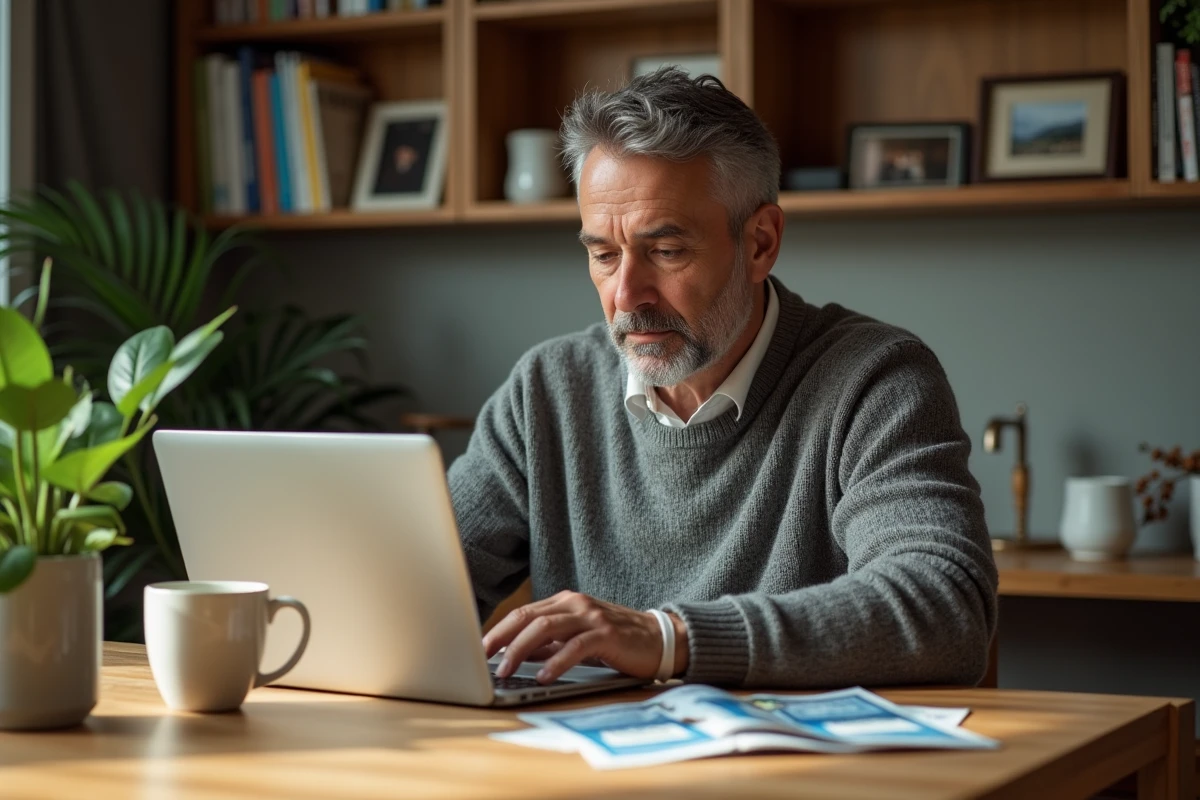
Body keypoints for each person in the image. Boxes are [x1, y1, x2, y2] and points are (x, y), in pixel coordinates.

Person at [447, 68, 997, 690]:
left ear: (760, 242)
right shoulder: (546, 390)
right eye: (603, 254)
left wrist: (665, 639)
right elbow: (417, 584)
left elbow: (943, 607)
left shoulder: (873, 380)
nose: (626, 295)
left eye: (667, 251)